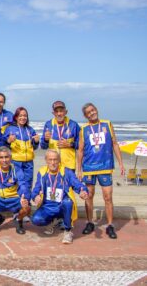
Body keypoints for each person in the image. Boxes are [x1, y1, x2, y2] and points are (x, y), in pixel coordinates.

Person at [77, 103, 125, 239]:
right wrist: (79, 170)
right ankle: (90, 222)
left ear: (96, 110)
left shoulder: (107, 124)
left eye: (93, 110)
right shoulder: (84, 129)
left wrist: (121, 163)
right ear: (85, 116)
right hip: (89, 168)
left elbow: (115, 144)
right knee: (89, 196)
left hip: (105, 166)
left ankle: (110, 225)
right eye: (88, 112)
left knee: (108, 197)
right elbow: (80, 150)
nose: (92, 113)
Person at [31, 149, 89, 244]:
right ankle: (52, 221)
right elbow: (36, 189)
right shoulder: (42, 173)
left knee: (68, 202)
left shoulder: (66, 172)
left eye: (55, 160)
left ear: (59, 160)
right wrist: (35, 196)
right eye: (50, 160)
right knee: (36, 220)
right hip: (48, 206)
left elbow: (77, 184)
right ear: (46, 160)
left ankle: (68, 231)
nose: (53, 162)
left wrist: (83, 191)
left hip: (62, 205)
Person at [3, 107, 39, 189]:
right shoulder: (10, 129)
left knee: (28, 184)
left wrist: (36, 142)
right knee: (16, 184)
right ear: (16, 117)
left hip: (29, 163)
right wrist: (8, 141)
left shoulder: (30, 130)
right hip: (16, 162)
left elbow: (35, 147)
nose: (23, 118)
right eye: (20, 115)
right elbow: (4, 144)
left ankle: (27, 201)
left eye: (25, 116)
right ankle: (17, 201)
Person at [41, 101, 80, 171]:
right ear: (53, 113)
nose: (59, 114)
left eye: (61, 111)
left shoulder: (73, 125)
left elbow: (81, 145)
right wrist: (45, 140)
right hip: (53, 165)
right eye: (56, 111)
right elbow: (43, 146)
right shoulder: (48, 124)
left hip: (69, 166)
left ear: (66, 112)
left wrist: (70, 144)